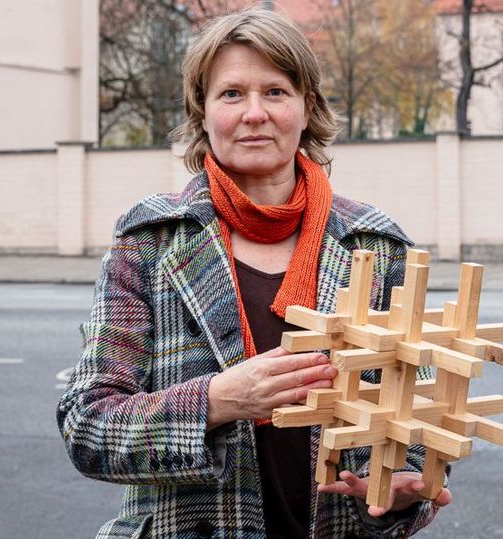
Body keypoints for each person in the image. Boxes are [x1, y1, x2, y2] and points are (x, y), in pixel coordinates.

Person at [57, 8, 451, 539]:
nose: (255, 113)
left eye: (275, 91)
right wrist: (217, 401)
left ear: (307, 108)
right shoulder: (150, 242)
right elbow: (88, 427)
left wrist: (403, 489)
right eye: (231, 94)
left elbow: (419, 413)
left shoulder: (377, 247)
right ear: (202, 112)